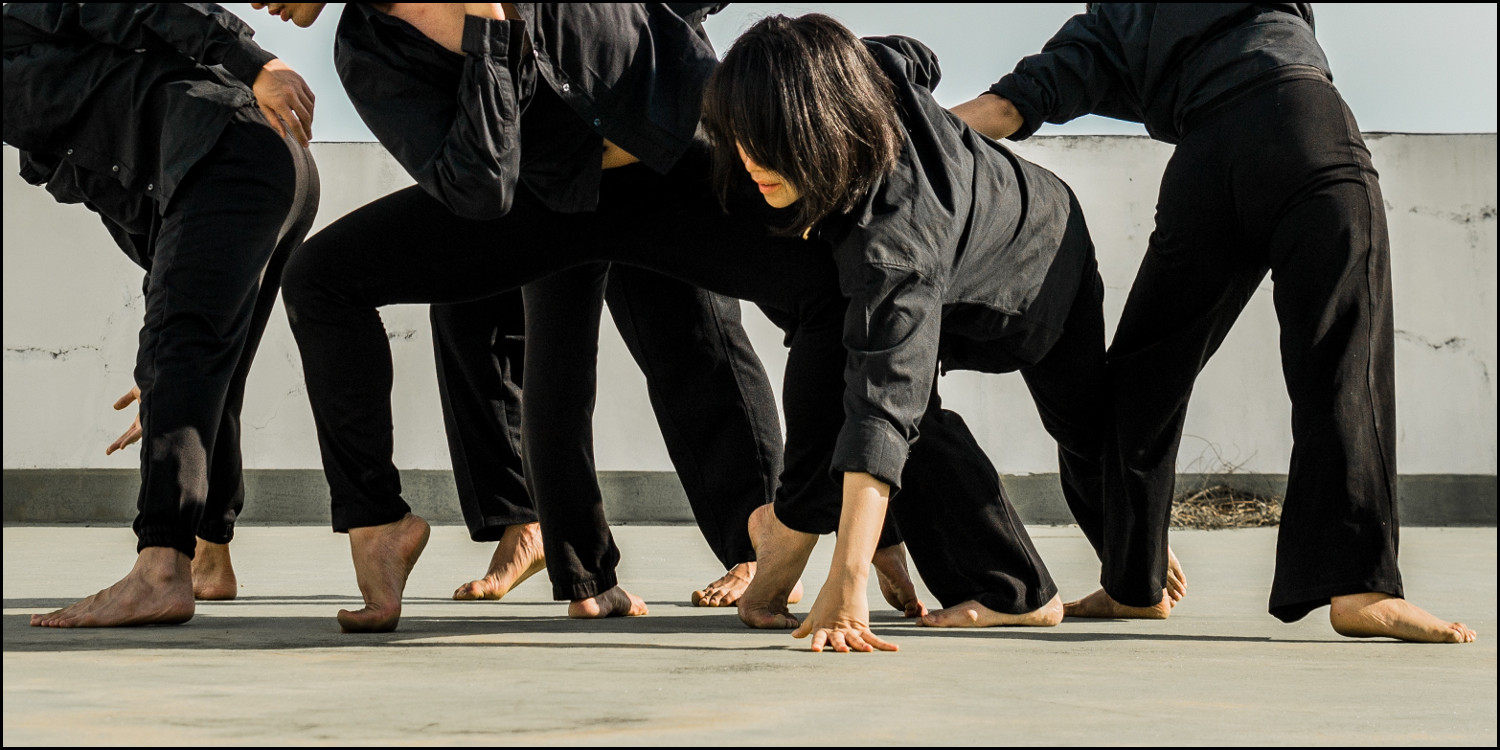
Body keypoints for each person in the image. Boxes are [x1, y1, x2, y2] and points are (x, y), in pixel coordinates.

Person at [261, 1, 889, 632]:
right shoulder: (369, 50)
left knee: (795, 305)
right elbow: (477, 189)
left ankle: (783, 531)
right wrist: (490, 41)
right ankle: (391, 529)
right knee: (325, 280)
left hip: (670, 165)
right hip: (543, 198)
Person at [950, 3, 1475, 643]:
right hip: (1302, 124)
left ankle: (1132, 585)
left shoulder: (1112, 20)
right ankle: (1360, 586)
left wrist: (892, 138)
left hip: (1206, 160)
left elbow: (1002, 109)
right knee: (1342, 354)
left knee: (1143, 378)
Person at [703, 13, 1147, 651]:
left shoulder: (893, 240)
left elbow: (884, 404)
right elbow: (912, 55)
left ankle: (1060, 589)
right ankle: (1036, 582)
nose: (750, 163)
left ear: (821, 124)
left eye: (771, 142)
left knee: (1077, 427)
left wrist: (848, 579)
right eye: (740, 140)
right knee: (861, 381)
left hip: (1044, 263)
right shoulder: (867, 79)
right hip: (967, 250)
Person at [6, 2, 320, 627]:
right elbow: (149, 218)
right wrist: (161, 366)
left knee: (188, 359)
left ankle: (159, 572)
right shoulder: (40, 110)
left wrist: (255, 62)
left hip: (231, 148)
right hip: (253, 163)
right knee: (204, 373)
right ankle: (209, 557)